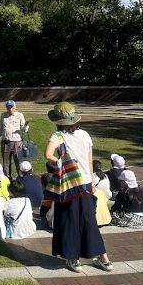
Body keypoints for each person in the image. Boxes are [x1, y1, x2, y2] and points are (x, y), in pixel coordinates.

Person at [45, 102, 113, 273]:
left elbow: (48, 155)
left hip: (69, 183)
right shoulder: (85, 135)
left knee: (69, 221)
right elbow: (89, 161)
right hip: (85, 183)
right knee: (89, 221)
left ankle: (73, 259)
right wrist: (91, 181)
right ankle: (104, 259)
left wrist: (61, 162)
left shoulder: (58, 135)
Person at [0, 99, 29, 179]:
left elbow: (24, 130)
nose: (10, 109)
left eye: (12, 107)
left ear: (15, 107)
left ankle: (21, 177)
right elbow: (0, 127)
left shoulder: (20, 115)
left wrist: (26, 125)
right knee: (5, 162)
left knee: (18, 161)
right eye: (8, 107)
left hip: (17, 142)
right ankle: (7, 178)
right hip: (5, 141)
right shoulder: (3, 115)